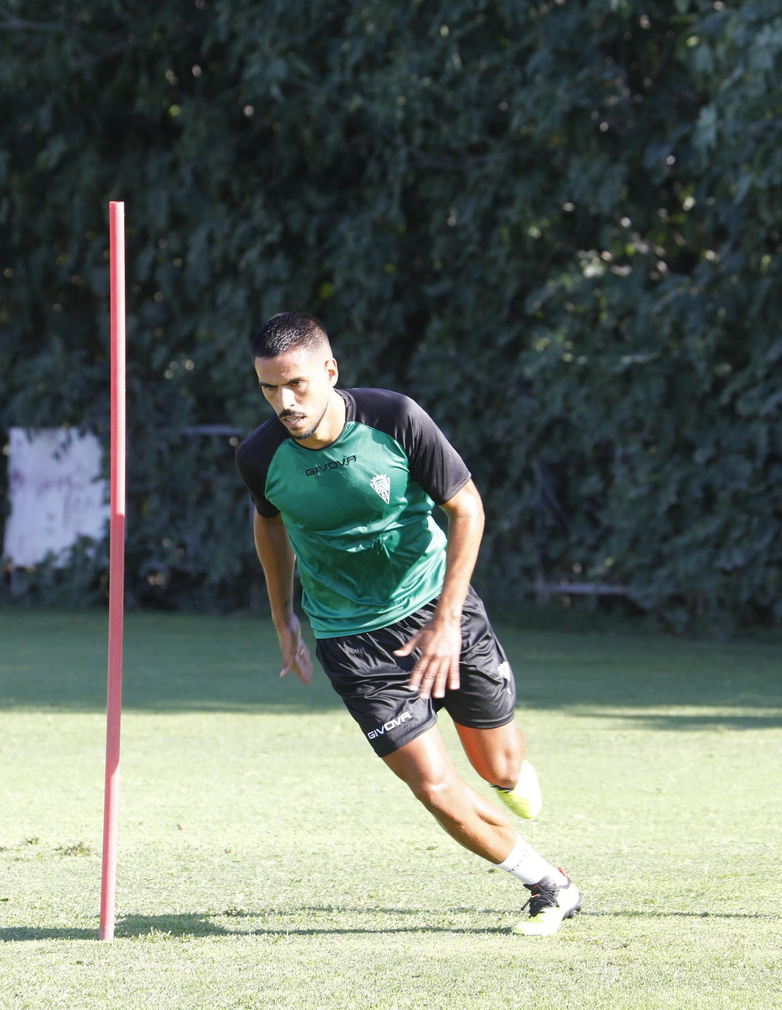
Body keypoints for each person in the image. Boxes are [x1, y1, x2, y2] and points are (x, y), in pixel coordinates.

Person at [234, 312, 582, 936]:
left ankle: (507, 779)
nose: (284, 403)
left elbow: (466, 508)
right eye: (268, 389)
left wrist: (448, 621)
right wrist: (283, 615)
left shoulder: (394, 418)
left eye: (297, 385)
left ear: (330, 371)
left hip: (436, 608)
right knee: (434, 785)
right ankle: (548, 885)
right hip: (352, 641)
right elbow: (268, 523)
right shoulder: (261, 456)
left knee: (499, 769)